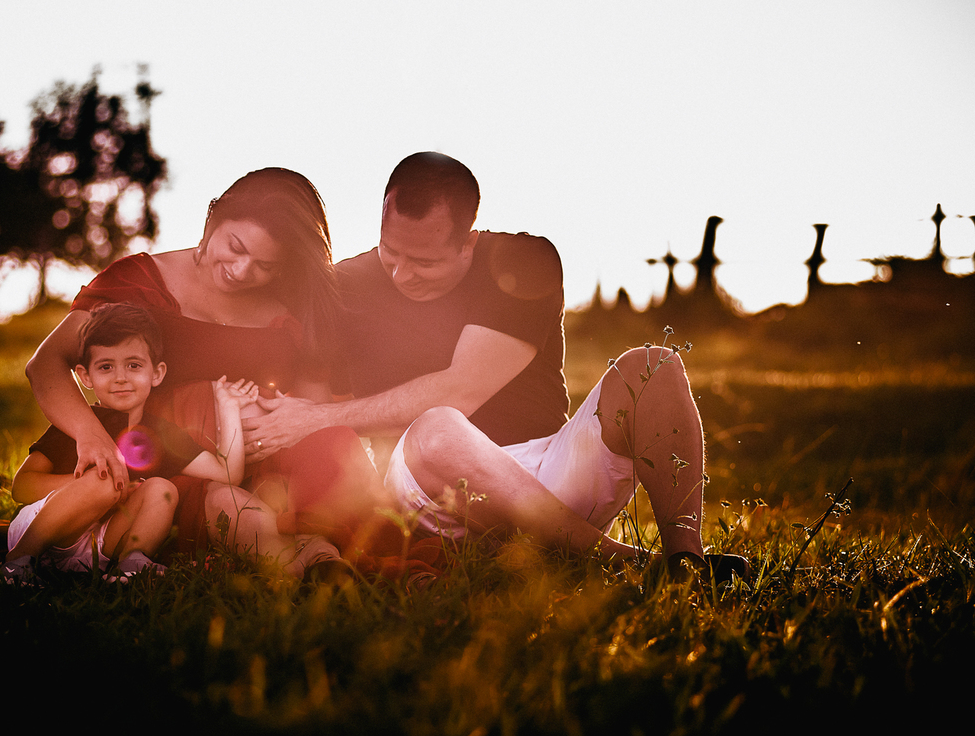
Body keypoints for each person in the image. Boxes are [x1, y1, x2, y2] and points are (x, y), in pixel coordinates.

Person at [245, 152, 744, 576]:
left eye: (425, 262)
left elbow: (462, 389)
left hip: (548, 473)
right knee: (438, 429)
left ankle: (685, 563)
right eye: (391, 252)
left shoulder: (523, 262)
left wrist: (317, 418)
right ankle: (627, 562)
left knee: (653, 365)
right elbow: (258, 319)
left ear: (469, 239)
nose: (402, 273)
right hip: (429, 489)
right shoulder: (345, 285)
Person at [25, 168, 400, 568]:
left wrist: (288, 428)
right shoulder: (141, 282)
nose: (241, 271)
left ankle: (338, 554)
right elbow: (46, 364)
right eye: (235, 246)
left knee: (331, 445)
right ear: (213, 219)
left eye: (265, 265)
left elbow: (314, 405)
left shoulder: (291, 311)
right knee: (226, 503)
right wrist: (92, 437)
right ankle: (308, 552)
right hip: (181, 465)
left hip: (269, 465)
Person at [6, 302, 330, 581]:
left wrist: (227, 406)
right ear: (86, 376)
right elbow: (22, 486)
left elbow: (225, 473)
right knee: (105, 482)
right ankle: (18, 563)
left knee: (163, 490)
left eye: (133, 365)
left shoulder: (159, 433)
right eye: (106, 367)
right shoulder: (81, 426)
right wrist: (98, 488)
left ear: (157, 373)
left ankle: (131, 565)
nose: (120, 377)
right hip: (47, 533)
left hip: (98, 546)